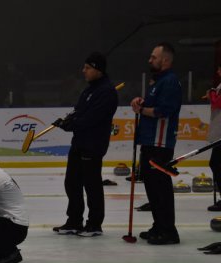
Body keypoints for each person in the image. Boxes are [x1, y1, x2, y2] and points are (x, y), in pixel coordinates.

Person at [52, 52, 118, 236]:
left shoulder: (106, 92)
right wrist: (66, 121)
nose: (84, 71)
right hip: (79, 142)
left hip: (93, 145)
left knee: (91, 184)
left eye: (87, 68)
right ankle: (74, 221)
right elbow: (79, 111)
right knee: (71, 182)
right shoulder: (89, 90)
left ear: (98, 69)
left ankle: (94, 224)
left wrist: (72, 124)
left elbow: (92, 118)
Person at [131, 42, 182, 244]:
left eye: (154, 57)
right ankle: (159, 225)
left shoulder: (169, 81)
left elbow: (163, 111)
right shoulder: (158, 81)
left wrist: (141, 111)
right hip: (150, 141)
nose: (150, 60)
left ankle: (169, 230)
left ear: (165, 60)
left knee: (160, 187)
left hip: (160, 143)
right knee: (152, 186)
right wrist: (140, 103)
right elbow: (152, 106)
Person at [205, 64, 221, 211]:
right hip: (218, 132)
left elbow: (218, 102)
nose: (217, 71)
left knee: (216, 163)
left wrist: (211, 94)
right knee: (216, 164)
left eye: (219, 69)